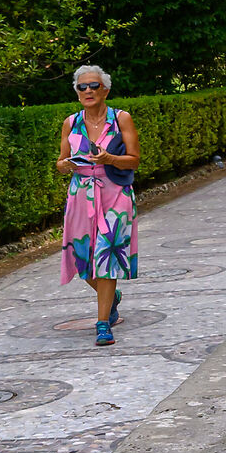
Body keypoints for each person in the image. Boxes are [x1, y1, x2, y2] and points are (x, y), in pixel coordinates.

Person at [57, 65, 141, 346]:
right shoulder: (71, 122)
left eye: (94, 86)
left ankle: (103, 322)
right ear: (77, 92)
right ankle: (111, 297)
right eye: (83, 87)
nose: (88, 91)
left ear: (105, 89)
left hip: (115, 194)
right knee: (82, 258)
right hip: (80, 194)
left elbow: (134, 159)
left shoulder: (121, 119)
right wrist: (66, 165)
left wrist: (110, 160)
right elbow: (60, 162)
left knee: (107, 256)